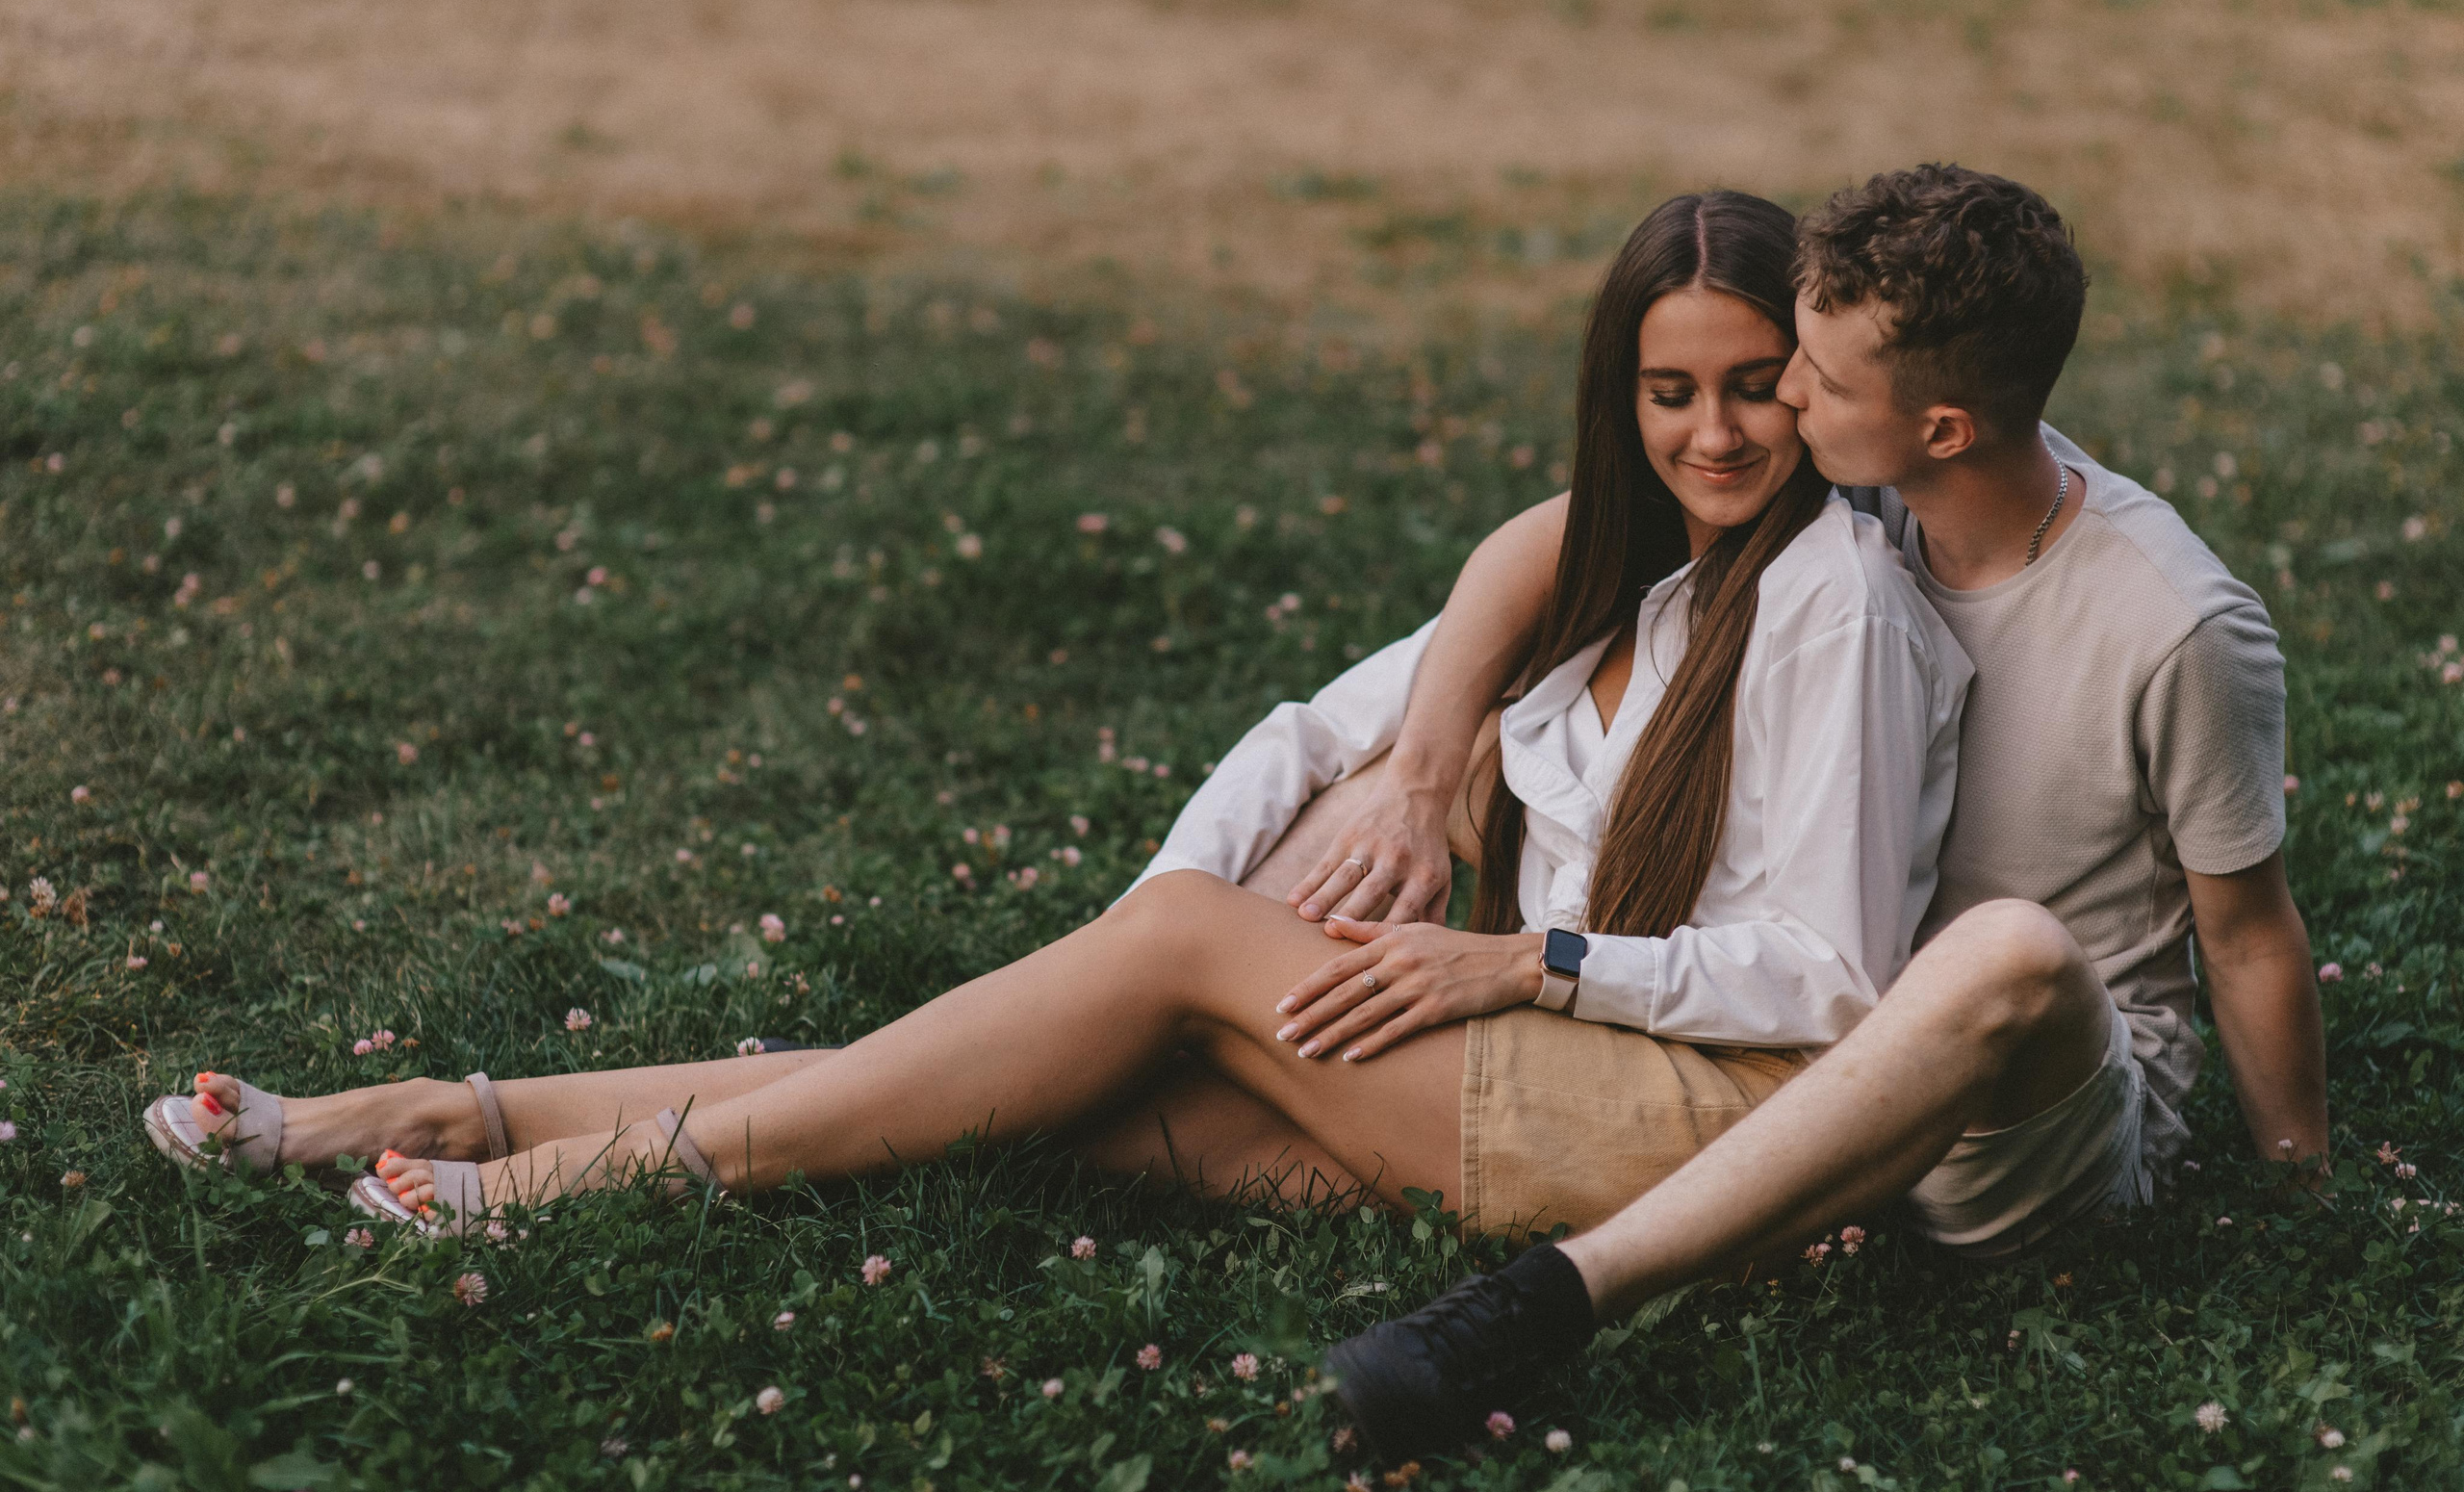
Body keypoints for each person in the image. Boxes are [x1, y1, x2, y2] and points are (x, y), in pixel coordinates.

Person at [139, 191, 1969, 1261]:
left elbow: (1843, 984)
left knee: (1060, 1028)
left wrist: (1530, 960)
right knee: (977, 1099)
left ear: (1812, 388)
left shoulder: (1836, 605)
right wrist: (1150, 938)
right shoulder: (1626, 581)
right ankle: (434, 1113)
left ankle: (555, 1186)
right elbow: (1305, 731)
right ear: (1617, 393)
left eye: (1754, 390)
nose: (1716, 432)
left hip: (1699, 1139)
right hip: (1546, 1091)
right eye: (1671, 392)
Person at [1312, 165, 2327, 1464]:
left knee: (2007, 946)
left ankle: (1546, 1302)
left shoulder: (2177, 624)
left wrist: (2300, 1198)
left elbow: (2247, 933)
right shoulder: (1871, 491)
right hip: (1820, 1039)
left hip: (2038, 1112)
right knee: (1472, 754)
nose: (1782, 397)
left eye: (1817, 382)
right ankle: (1172, 1037)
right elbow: (1551, 538)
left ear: (1945, 427)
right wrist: (1415, 774)